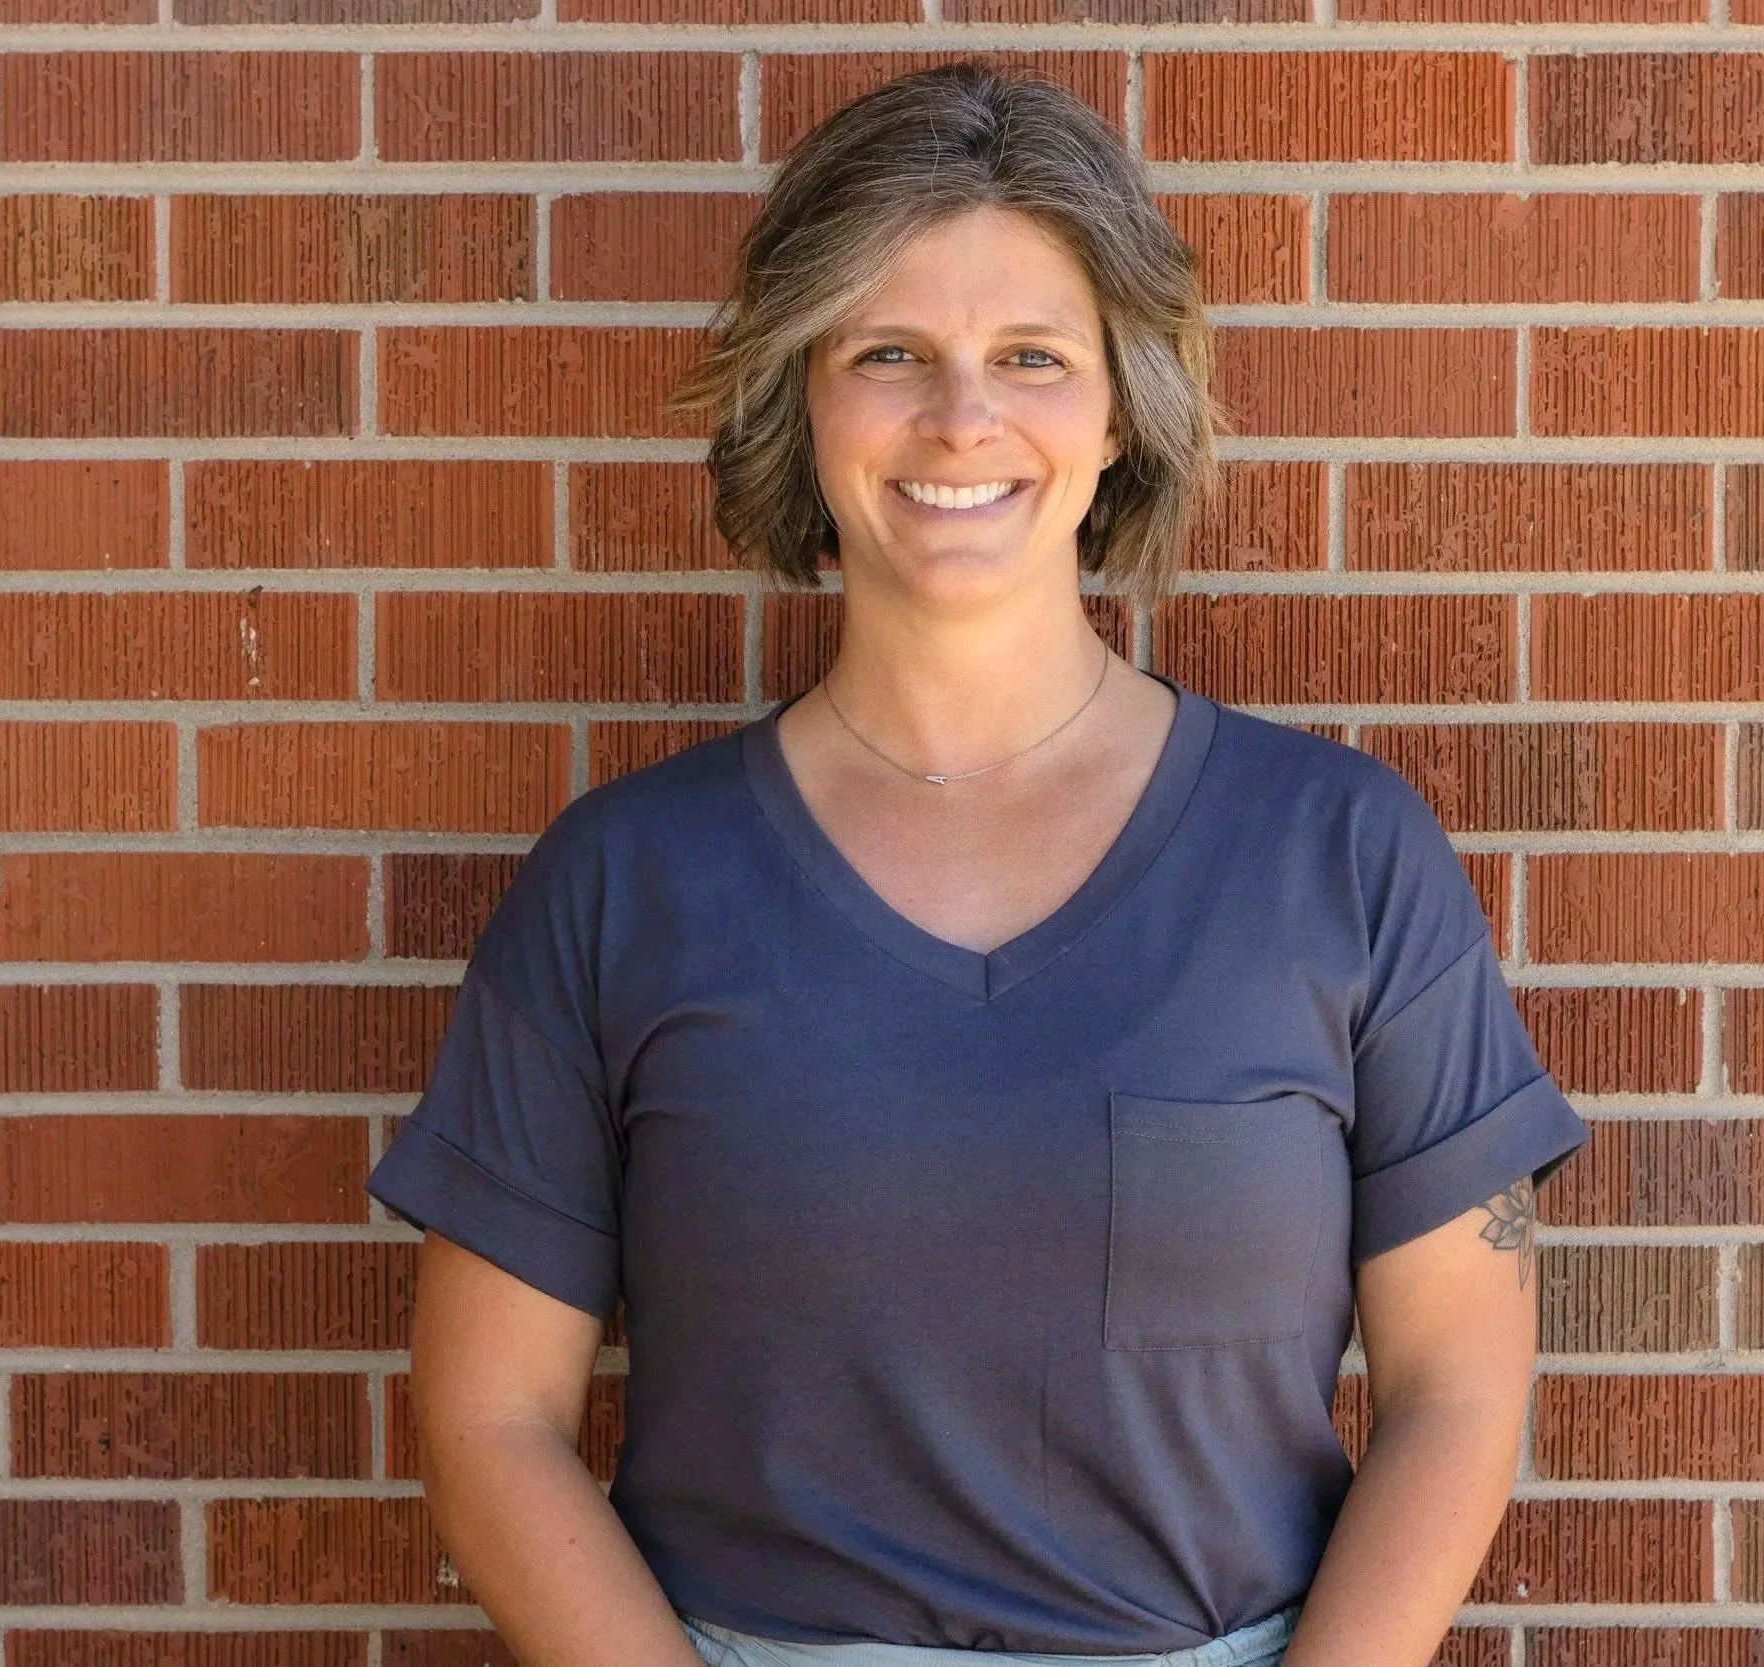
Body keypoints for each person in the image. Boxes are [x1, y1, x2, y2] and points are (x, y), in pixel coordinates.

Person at [363, 61, 1589, 1667]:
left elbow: (1458, 1388)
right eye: (891, 355)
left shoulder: (1341, 854)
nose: (962, 420)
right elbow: (489, 1421)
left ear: (1115, 410)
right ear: (801, 398)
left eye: (1030, 356)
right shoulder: (623, 885)